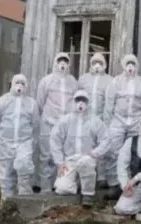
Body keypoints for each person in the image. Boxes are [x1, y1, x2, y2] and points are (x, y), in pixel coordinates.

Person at [50, 90, 111, 206]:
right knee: (62, 189)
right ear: (73, 102)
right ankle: (77, 182)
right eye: (78, 100)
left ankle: (87, 194)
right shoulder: (65, 120)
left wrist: (95, 153)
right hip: (70, 159)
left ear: (88, 103)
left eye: (84, 100)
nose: (81, 103)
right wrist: (59, 162)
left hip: (87, 158)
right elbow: (55, 139)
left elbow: (106, 139)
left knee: (85, 163)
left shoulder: (95, 121)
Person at [104, 53, 141, 198]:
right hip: (118, 120)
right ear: (124, 65)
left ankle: (131, 184)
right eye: (128, 64)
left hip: (136, 121)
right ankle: (114, 185)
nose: (131, 67)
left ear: (137, 66)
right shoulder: (115, 82)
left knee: (134, 152)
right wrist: (107, 123)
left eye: (133, 64)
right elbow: (109, 104)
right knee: (113, 152)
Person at [0, 73, 39, 198]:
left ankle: (24, 201)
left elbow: (35, 124)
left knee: (24, 168)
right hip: (5, 143)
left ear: (26, 86)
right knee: (6, 175)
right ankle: (8, 204)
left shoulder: (31, 103)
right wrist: (4, 134)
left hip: (24, 143)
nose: (20, 86)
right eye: (17, 82)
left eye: (22, 83)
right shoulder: (3, 101)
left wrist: (27, 138)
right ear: (12, 84)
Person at [37, 52, 79, 192]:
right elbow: (40, 102)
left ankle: (60, 186)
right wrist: (49, 116)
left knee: (63, 155)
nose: (62, 64)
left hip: (65, 126)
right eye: (60, 61)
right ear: (55, 62)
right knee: (47, 156)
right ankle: (45, 188)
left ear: (68, 64)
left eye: (65, 61)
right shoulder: (46, 81)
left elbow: (75, 102)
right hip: (48, 123)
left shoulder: (73, 82)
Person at [77, 53, 113, 188]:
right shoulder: (83, 79)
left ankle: (101, 177)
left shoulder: (109, 80)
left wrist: (106, 120)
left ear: (104, 64)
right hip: (85, 118)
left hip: (101, 118)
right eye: (94, 62)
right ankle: (85, 178)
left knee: (102, 147)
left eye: (100, 62)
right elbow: (78, 98)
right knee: (85, 146)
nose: (97, 65)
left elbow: (109, 102)